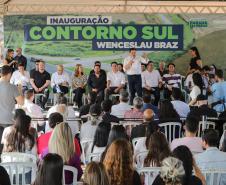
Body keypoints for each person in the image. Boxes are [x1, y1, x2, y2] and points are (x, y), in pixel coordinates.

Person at [0, 65, 24, 142]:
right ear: (9, 74)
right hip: (8, 119)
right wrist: (20, 90)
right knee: (8, 143)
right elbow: (21, 102)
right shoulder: (13, 87)